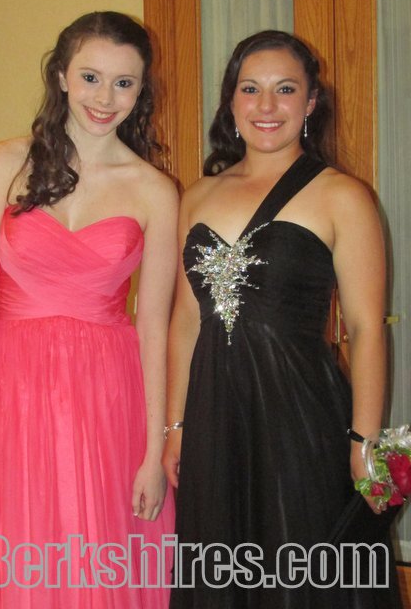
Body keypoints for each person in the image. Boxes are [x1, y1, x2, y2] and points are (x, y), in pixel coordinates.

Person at [162, 30, 402, 608]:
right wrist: (175, 426)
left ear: (311, 101)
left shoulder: (343, 196)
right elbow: (185, 322)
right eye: (250, 89)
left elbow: (367, 329)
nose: (266, 106)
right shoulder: (196, 196)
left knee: (302, 565)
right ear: (231, 101)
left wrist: (364, 441)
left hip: (301, 414)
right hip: (214, 415)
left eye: (285, 89)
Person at [0, 11, 177, 608]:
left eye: (124, 83)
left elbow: (155, 328)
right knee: (22, 552)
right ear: (60, 76)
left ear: (141, 90)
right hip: (13, 395)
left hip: (110, 396)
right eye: (90, 77)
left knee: (103, 553)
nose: (105, 98)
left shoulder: (155, 190)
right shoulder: (2, 163)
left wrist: (153, 452)